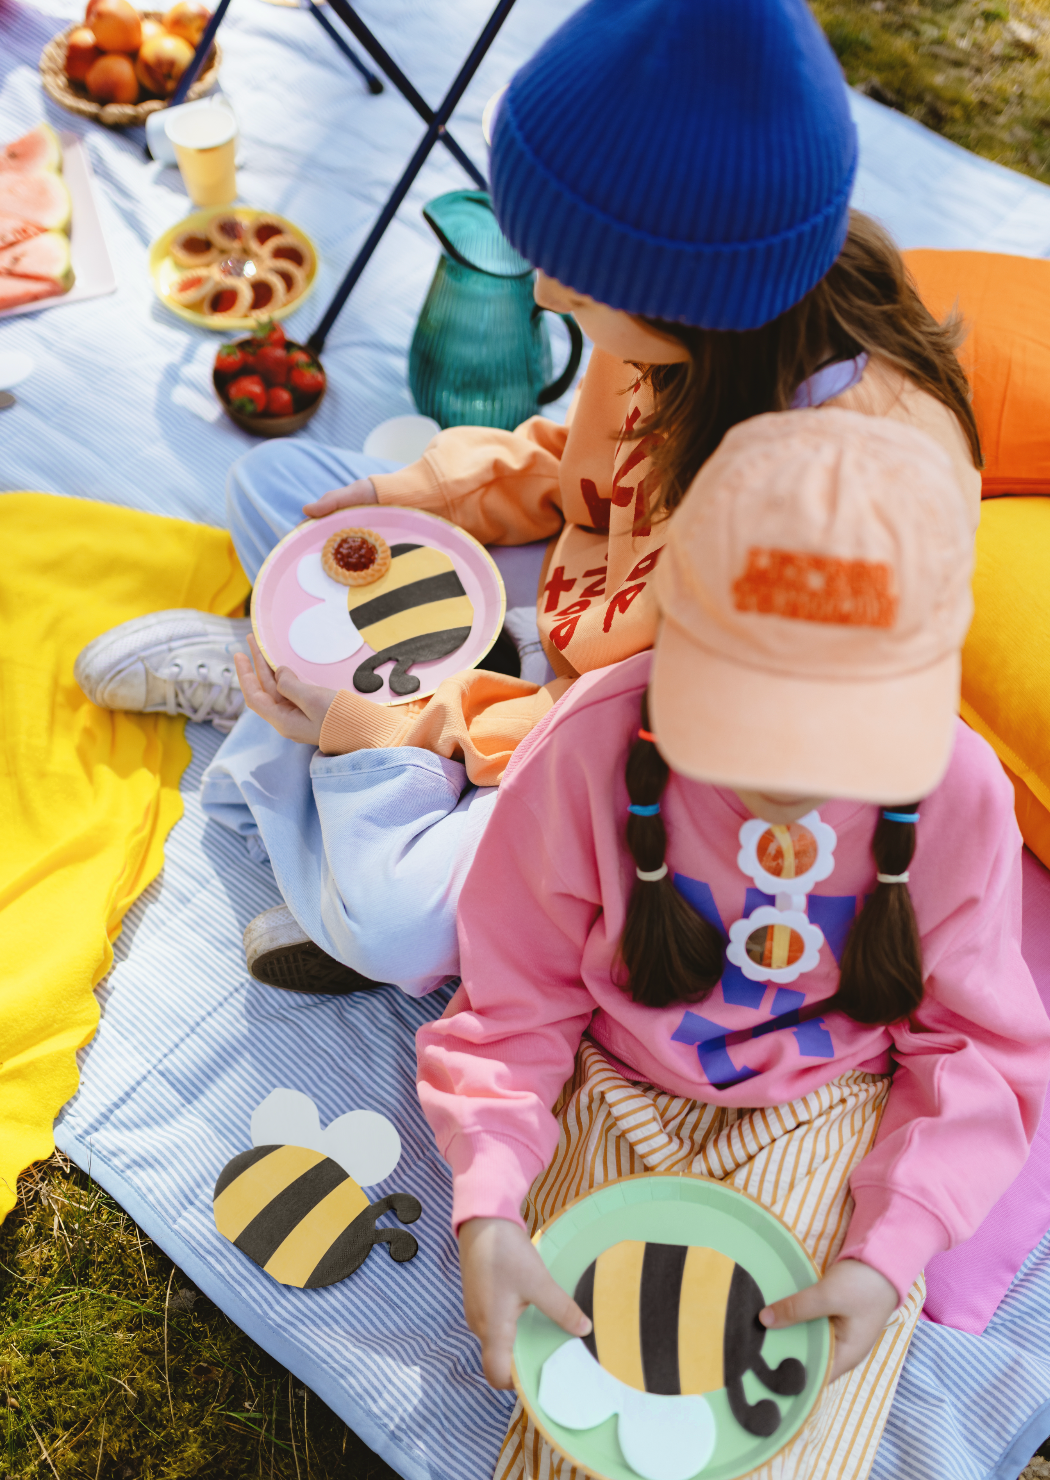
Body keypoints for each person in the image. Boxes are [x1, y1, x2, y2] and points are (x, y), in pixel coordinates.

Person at [74, 0, 982, 996]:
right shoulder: (734, 310)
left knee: (397, 924)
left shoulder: (819, 538)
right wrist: (420, 495)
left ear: (690, 301)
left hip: (617, 749)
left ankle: (308, 763)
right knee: (283, 489)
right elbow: (571, 462)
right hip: (571, 621)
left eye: (584, 291)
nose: (546, 296)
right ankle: (314, 719)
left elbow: (634, 764)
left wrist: (397, 728)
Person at [416, 408, 1049, 1480]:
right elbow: (513, 1003)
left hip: (829, 1105)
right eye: (749, 720)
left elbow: (978, 1052)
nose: (792, 770)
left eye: (841, 731)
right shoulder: (589, 751)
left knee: (770, 1435)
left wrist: (887, 1253)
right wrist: (489, 1199)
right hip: (617, 1080)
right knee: (600, 1414)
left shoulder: (958, 792)